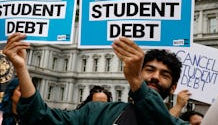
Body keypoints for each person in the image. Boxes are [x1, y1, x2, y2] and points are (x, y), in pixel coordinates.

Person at [3, 33, 188, 125]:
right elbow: (43, 118)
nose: (155, 77)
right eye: (149, 70)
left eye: (165, 75)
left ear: (173, 88)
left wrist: (138, 83)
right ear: (137, 72)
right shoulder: (98, 112)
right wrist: (21, 68)